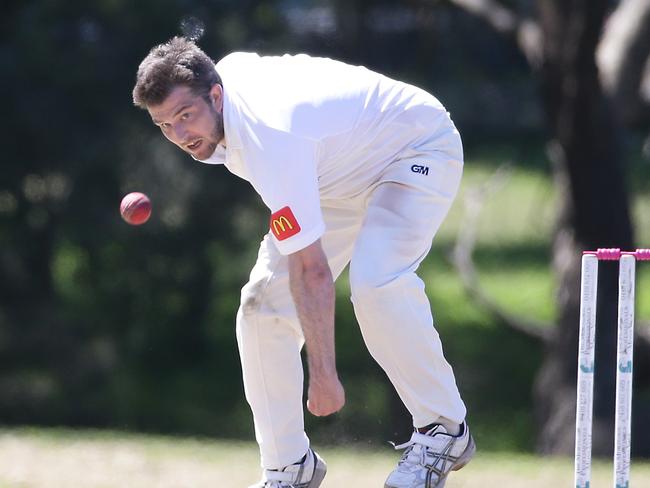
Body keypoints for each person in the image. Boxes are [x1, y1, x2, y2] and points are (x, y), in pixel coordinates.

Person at [132, 36, 475, 488]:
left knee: (376, 283)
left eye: (185, 116)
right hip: (333, 177)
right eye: (164, 125)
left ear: (216, 96)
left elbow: (311, 271)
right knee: (260, 307)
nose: (179, 136)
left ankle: (444, 431)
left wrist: (324, 374)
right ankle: (288, 468)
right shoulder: (222, 85)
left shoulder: (267, 133)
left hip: (413, 150)